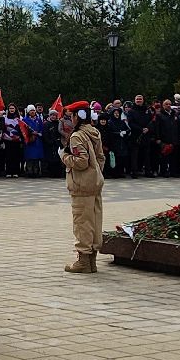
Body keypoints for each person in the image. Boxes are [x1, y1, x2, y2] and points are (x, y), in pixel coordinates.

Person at [61, 102, 107, 274]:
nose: (70, 119)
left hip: (81, 185)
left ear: (76, 116)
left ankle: (84, 261)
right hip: (95, 183)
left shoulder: (77, 136)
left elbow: (81, 162)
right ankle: (92, 260)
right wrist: (95, 174)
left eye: (71, 116)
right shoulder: (95, 132)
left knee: (82, 222)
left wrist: (64, 156)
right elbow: (100, 158)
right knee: (94, 221)